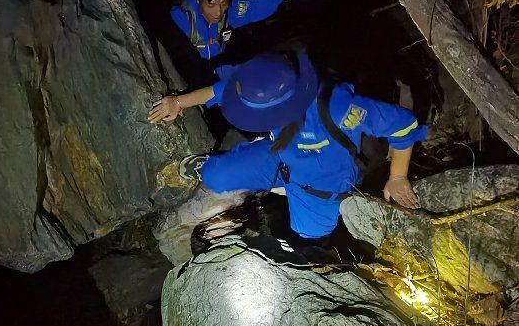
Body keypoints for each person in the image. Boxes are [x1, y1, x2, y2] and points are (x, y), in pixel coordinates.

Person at [149, 51, 426, 245]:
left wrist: (398, 176)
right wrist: (178, 103)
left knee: (309, 235)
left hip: (322, 180)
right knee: (215, 177)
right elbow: (216, 91)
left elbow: (403, 126)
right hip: (280, 157)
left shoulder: (338, 107)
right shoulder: (263, 82)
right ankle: (219, 166)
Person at [171, 0, 347, 66]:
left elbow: (271, 0)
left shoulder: (233, 10)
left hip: (221, 68)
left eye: (224, 5)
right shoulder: (179, 18)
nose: (218, 13)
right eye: (212, 5)